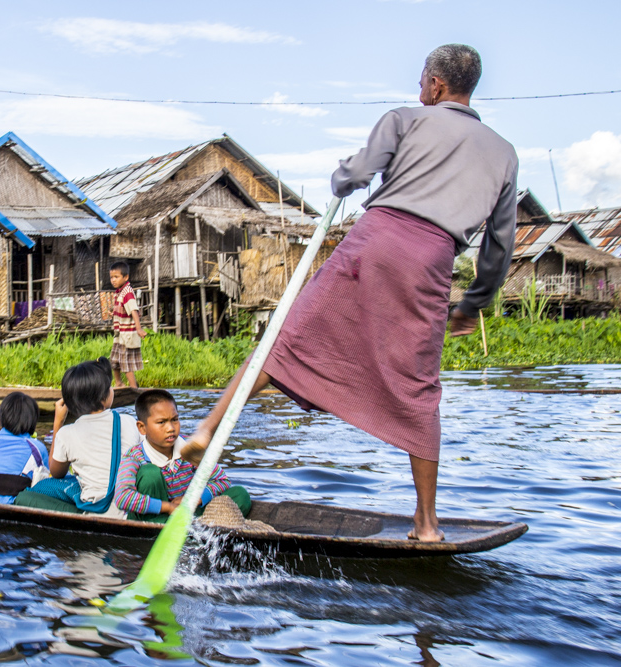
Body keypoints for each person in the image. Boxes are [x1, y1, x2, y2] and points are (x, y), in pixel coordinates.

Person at [187, 44, 518, 542]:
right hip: (432, 257)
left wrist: (343, 173)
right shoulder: (504, 153)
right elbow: (501, 242)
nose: (419, 88)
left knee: (287, 339)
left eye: (422, 80)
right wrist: (475, 300)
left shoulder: (405, 119)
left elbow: (356, 175)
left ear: (436, 84)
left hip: (376, 238)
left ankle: (209, 428)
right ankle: (426, 524)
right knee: (419, 386)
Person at [15, 357, 140, 516]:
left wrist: (58, 422)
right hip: (130, 507)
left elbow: (56, 472)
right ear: (104, 396)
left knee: (30, 493)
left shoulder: (66, 433)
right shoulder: (129, 422)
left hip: (95, 511)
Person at [114, 389, 250, 523]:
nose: (170, 428)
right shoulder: (134, 456)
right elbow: (122, 497)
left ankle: (196, 526)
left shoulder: (189, 448)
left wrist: (192, 498)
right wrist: (167, 507)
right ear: (142, 427)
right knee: (150, 474)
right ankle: (174, 527)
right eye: (161, 422)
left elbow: (221, 480)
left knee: (240, 494)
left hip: (186, 513)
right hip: (152, 518)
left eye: (175, 420)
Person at [109, 261, 147, 389]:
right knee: (114, 361)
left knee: (126, 364)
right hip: (119, 335)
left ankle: (133, 388)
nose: (113, 280)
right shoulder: (119, 292)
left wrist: (139, 329)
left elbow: (134, 311)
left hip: (128, 335)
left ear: (125, 277)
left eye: (116, 277)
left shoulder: (127, 293)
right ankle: (119, 383)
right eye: (111, 277)